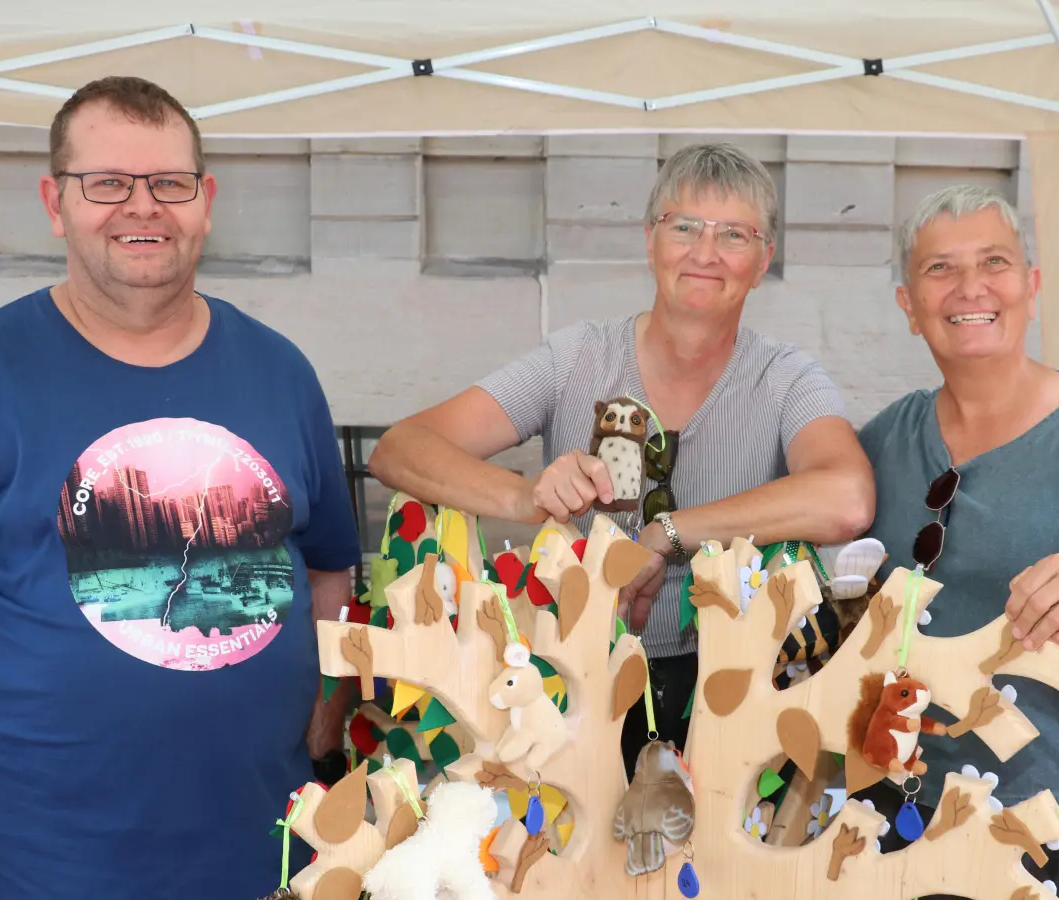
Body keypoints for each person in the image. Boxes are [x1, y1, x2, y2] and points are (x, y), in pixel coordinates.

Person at [0, 76, 362, 900]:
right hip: (35, 871)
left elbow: (327, 569)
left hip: (265, 862)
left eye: (169, 183)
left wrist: (322, 722)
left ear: (205, 201)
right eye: (107, 184)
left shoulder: (281, 373)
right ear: (56, 203)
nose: (143, 207)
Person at [367, 141, 875, 771]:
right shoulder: (578, 357)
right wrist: (526, 496)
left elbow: (846, 498)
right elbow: (401, 448)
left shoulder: (787, 378)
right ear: (650, 240)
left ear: (764, 257)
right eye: (684, 226)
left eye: (734, 234)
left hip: (733, 692)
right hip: (572, 681)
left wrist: (667, 536)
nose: (705, 252)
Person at [854, 184, 1059, 899]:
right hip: (924, 811)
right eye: (939, 269)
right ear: (907, 306)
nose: (970, 287)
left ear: (1031, 288)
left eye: (994, 262)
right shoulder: (886, 439)